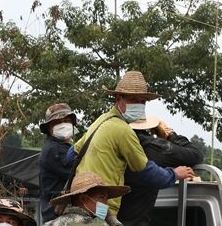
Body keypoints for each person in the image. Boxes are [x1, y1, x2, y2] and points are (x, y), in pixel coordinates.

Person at [72, 70, 193, 216]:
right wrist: (174, 174)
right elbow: (147, 172)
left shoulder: (101, 120)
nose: (139, 105)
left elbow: (71, 154)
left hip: (82, 202)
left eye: (142, 101)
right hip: (100, 208)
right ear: (118, 98)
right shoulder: (123, 130)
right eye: (133, 99)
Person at [118, 117, 204, 226]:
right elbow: (195, 155)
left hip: (110, 223)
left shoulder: (114, 143)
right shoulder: (152, 147)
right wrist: (169, 134)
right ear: (147, 128)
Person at [38, 103, 77, 224]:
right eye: (57, 122)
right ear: (49, 128)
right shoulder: (55, 150)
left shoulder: (64, 147)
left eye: (66, 120)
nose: (63, 124)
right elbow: (78, 174)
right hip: (58, 217)